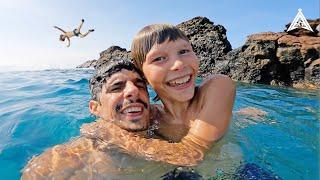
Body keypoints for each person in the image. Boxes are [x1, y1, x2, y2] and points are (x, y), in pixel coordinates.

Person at [21, 58, 210, 179]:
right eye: (116, 87)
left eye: (139, 84)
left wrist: (120, 137)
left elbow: (192, 153)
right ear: (95, 108)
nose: (133, 91)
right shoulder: (58, 164)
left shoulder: (167, 121)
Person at [95, 24, 236, 161]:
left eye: (184, 51)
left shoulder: (218, 86)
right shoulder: (151, 116)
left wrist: (119, 139)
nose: (179, 64)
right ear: (143, 76)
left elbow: (191, 154)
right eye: (159, 58)